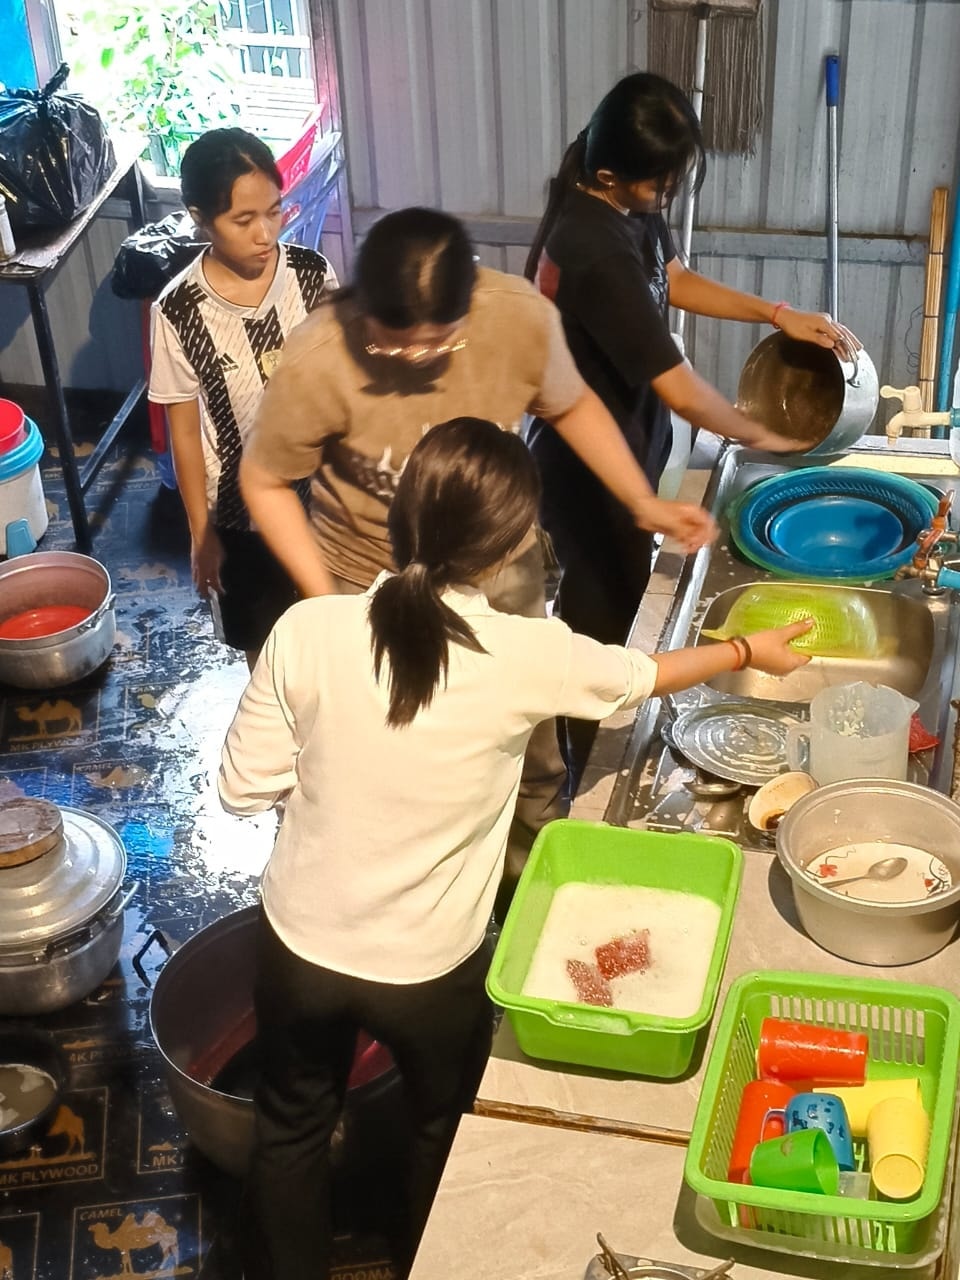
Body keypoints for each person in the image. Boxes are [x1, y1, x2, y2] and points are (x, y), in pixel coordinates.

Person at [219, 416, 813, 1280]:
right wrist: (748, 649)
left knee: (290, 1130)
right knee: (438, 1129)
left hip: (299, 947)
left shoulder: (309, 629)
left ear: (402, 519)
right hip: (429, 973)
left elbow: (242, 790)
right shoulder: (528, 653)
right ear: (507, 548)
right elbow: (641, 679)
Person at [237, 205, 715, 874]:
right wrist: (328, 606)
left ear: (471, 302)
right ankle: (412, 881)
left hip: (498, 565)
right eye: (392, 345)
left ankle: (526, 881)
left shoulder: (517, 319)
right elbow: (264, 481)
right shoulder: (318, 358)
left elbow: (571, 403)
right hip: (367, 577)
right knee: (389, 753)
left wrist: (641, 500)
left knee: (531, 748)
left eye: (438, 342)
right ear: (362, 309)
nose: (415, 360)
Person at [524, 72, 860, 783]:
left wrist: (779, 314)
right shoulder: (589, 246)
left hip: (630, 448)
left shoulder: (626, 197)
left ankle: (579, 751)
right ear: (611, 176)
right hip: (588, 477)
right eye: (660, 184)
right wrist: (761, 432)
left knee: (618, 614)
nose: (667, 193)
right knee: (597, 635)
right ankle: (568, 773)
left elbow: (672, 277)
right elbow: (679, 387)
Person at [148, 127, 337, 667]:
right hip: (238, 513)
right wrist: (200, 533)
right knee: (266, 646)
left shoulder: (311, 275)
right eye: (243, 219)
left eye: (274, 212)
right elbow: (185, 435)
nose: (265, 233)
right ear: (200, 218)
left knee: (332, 632)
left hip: (324, 497)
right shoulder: (178, 311)